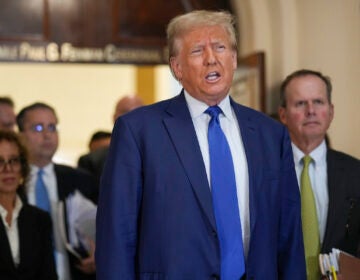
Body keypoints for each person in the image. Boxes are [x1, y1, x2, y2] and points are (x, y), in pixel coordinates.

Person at [96, 10, 306, 280]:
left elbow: (289, 233)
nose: (211, 58)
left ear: (232, 59)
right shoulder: (138, 131)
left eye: (220, 47)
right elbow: (117, 232)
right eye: (197, 51)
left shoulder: (270, 134)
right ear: (177, 68)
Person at [278, 69, 360, 278]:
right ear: (283, 115)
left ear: (331, 112)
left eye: (318, 102)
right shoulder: (264, 173)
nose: (311, 111)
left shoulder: (355, 173)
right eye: (300, 103)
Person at [16, 102, 98, 280]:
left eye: (52, 127)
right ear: (20, 136)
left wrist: (97, 254)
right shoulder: (11, 183)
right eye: (37, 128)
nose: (47, 135)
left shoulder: (82, 181)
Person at [0, 130, 57, 280]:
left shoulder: (39, 219)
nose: (8, 169)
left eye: (14, 160)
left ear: (23, 166)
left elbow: (48, 275)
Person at [77, 95, 143, 185]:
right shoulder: (91, 161)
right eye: (125, 112)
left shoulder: (162, 155)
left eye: (137, 112)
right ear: (114, 117)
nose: (131, 117)